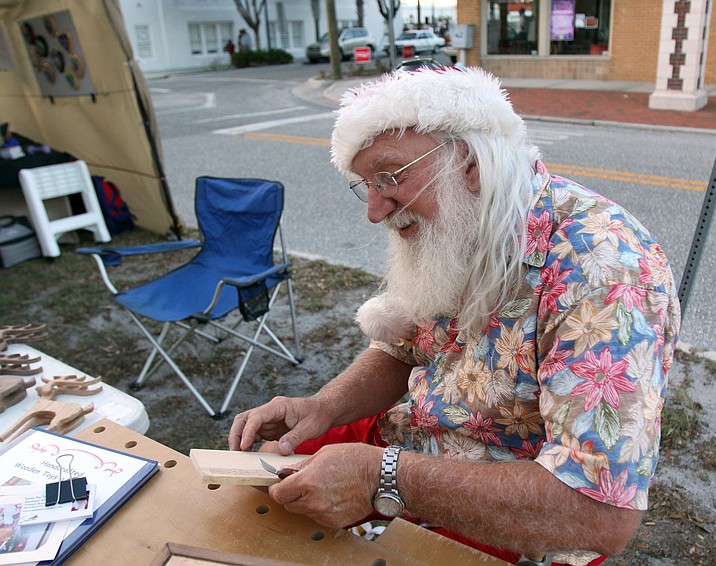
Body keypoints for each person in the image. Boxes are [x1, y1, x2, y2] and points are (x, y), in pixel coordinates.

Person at [230, 67, 681, 566]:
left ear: (469, 161)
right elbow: (405, 349)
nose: (375, 211)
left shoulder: (605, 269)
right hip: (412, 443)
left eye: (389, 177)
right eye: (366, 185)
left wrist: (383, 478)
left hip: (516, 513)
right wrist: (321, 407)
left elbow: (597, 514)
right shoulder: (467, 218)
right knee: (247, 486)